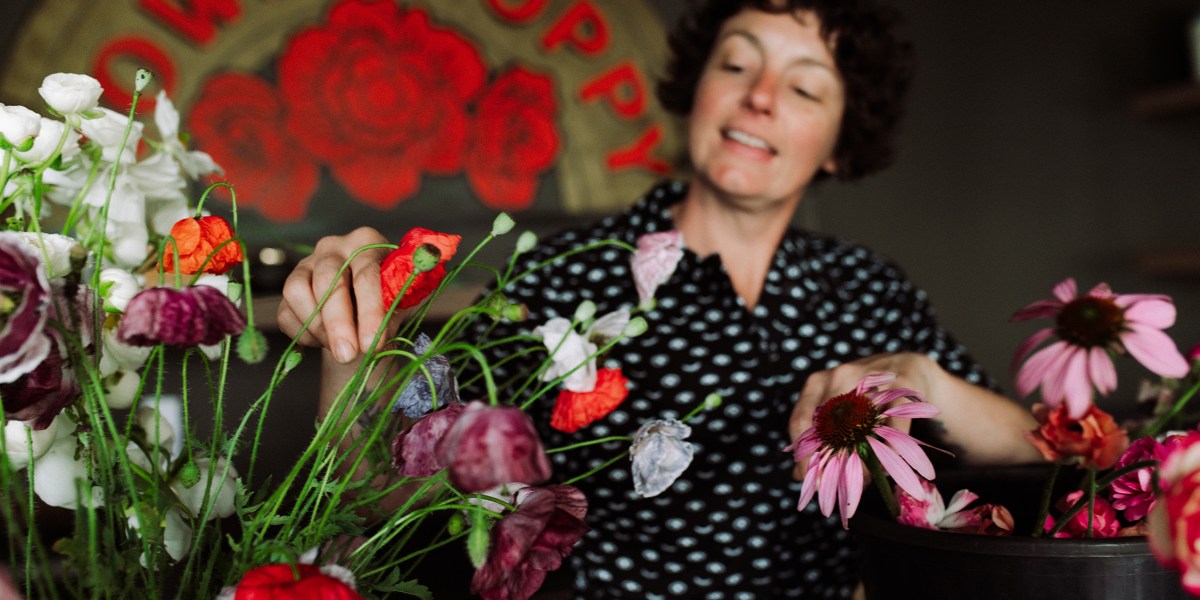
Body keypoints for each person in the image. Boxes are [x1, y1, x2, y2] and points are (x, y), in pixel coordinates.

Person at [278, 0, 1041, 597]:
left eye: (805, 85)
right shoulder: (572, 275)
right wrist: (358, 341)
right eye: (737, 65)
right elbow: (377, 498)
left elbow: (1035, 449)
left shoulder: (872, 289)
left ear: (842, 141)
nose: (760, 98)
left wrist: (929, 381)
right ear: (696, 92)